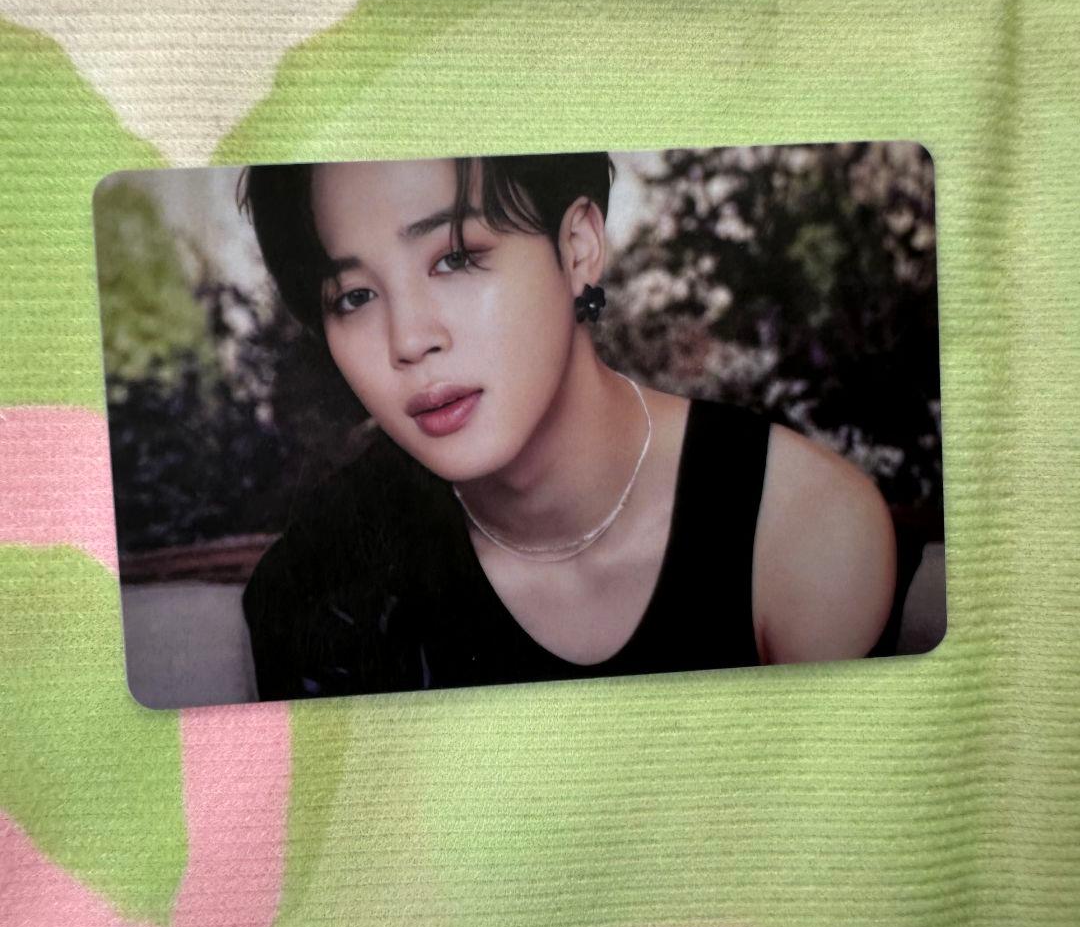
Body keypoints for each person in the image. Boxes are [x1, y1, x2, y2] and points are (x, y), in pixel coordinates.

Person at [237, 152, 898, 701]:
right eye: (354, 296)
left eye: (456, 258)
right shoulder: (317, 587)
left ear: (578, 247)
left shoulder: (803, 529)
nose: (409, 340)